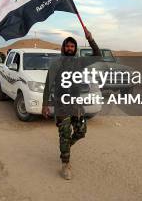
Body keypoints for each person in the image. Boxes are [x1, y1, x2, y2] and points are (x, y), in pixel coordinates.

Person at [42, 28, 102, 180]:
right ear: (64, 47)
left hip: (76, 104)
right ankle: (65, 164)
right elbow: (48, 84)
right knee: (64, 133)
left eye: (72, 46)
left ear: (75, 49)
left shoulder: (79, 62)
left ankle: (66, 146)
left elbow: (98, 55)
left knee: (81, 131)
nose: (70, 48)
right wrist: (45, 105)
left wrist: (90, 38)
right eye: (67, 46)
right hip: (61, 105)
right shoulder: (56, 63)